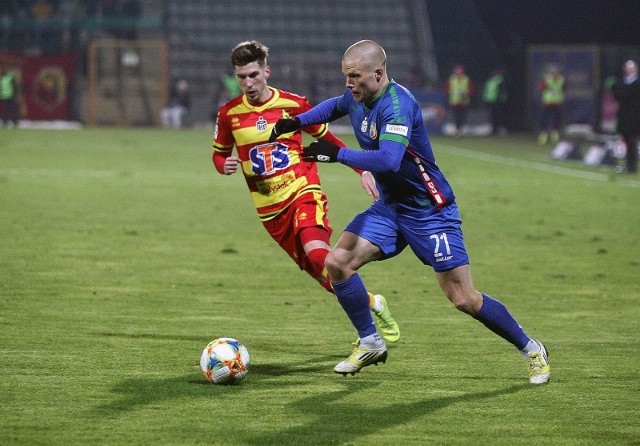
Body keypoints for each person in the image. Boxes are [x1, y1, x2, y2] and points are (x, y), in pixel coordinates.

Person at [270, 40, 550, 384]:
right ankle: (371, 341)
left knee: (463, 298)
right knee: (337, 262)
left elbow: (388, 160)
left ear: (378, 72)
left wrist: (336, 154)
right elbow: (333, 106)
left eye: (354, 76)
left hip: (430, 211)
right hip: (390, 208)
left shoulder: (397, 106)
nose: (348, 83)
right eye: (346, 76)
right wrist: (294, 123)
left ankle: (531, 348)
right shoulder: (357, 96)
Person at [211, 40, 400, 343]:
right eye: (242, 77)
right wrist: (225, 165)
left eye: (253, 75)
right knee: (324, 275)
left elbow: (328, 140)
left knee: (319, 254)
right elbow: (219, 154)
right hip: (270, 211)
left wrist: (362, 170)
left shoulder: (293, 105)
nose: (248, 82)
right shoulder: (229, 114)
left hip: (303, 192)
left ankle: (367, 337)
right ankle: (373, 302)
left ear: (266, 72)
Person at [612, 60, 640, 174]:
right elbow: (617, 96)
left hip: (635, 116)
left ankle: (632, 166)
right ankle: (629, 165)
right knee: (627, 140)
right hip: (624, 116)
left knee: (633, 140)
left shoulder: (637, 83)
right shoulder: (622, 83)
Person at [537, 65, 566, 145]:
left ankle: (555, 135)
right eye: (553, 72)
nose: (554, 73)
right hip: (547, 102)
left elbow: (565, 88)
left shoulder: (561, 79)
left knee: (557, 119)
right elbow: (540, 88)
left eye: (556, 72)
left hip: (557, 103)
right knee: (544, 119)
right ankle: (543, 135)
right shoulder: (547, 79)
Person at [445, 64, 473, 138]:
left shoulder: (466, 78)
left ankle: (459, 130)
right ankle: (457, 130)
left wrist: (466, 94)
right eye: (457, 70)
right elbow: (447, 89)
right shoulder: (452, 79)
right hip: (455, 102)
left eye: (460, 70)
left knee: (463, 117)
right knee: (456, 116)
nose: (458, 71)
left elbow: (470, 89)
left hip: (464, 102)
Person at [482, 68, 508, 135]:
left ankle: (498, 128)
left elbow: (502, 90)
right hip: (491, 101)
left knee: (498, 115)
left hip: (498, 101)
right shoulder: (490, 80)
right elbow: (487, 91)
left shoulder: (500, 80)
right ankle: (494, 129)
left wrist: (501, 99)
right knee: (492, 116)